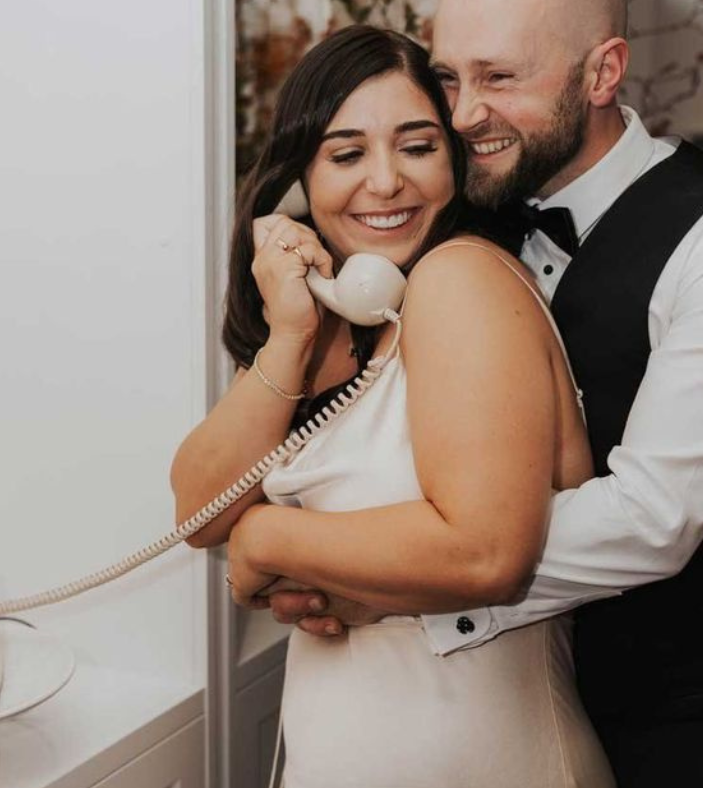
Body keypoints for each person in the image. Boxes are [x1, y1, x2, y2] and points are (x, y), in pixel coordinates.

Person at [266, 2, 703, 787]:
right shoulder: (455, 215)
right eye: (449, 78)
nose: (462, 113)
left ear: (603, 73)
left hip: (689, 729)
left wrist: (384, 577)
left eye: (499, 78)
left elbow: (651, 517)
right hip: (495, 716)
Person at [173, 24, 615, 788]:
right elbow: (196, 512)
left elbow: (483, 549)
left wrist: (270, 538)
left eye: (417, 146)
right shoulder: (331, 327)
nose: (385, 183)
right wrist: (288, 336)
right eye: (346, 155)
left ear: (455, 158)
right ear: (296, 182)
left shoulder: (462, 280)